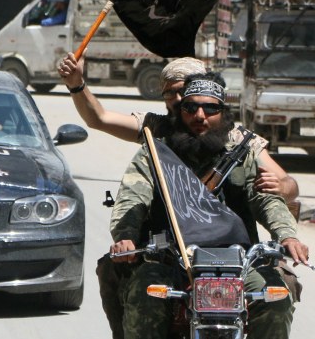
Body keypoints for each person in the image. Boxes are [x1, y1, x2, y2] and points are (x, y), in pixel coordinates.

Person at [58, 54, 299, 339]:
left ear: (223, 110)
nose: (200, 115)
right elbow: (134, 193)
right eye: (187, 105)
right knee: (142, 293)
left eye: (210, 108)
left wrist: (287, 233)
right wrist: (126, 234)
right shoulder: (154, 142)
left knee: (277, 298)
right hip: (171, 255)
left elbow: (269, 195)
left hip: (237, 257)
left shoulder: (242, 147)